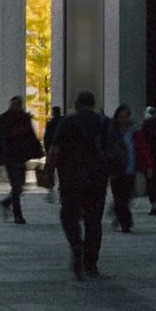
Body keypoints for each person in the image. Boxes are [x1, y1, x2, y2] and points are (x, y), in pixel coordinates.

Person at [45, 90, 122, 279]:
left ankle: (76, 245)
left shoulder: (67, 122)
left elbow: (55, 150)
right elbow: (115, 150)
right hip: (97, 179)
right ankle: (91, 264)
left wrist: (48, 172)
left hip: (71, 178)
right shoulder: (104, 123)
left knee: (69, 215)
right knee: (94, 221)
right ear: (93, 103)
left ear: (77, 103)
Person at [0, 95, 41, 223]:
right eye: (14, 104)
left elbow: (32, 137)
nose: (16, 107)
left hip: (21, 157)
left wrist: (38, 152)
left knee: (21, 185)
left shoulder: (25, 119)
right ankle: (18, 215)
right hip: (9, 158)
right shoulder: (4, 120)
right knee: (17, 185)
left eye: (18, 104)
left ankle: (6, 203)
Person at [109, 105, 141, 233]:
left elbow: (141, 149)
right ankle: (125, 221)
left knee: (126, 197)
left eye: (126, 117)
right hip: (116, 170)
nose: (123, 119)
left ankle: (124, 220)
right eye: (120, 117)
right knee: (118, 198)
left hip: (130, 170)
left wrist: (147, 166)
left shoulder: (134, 132)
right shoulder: (112, 132)